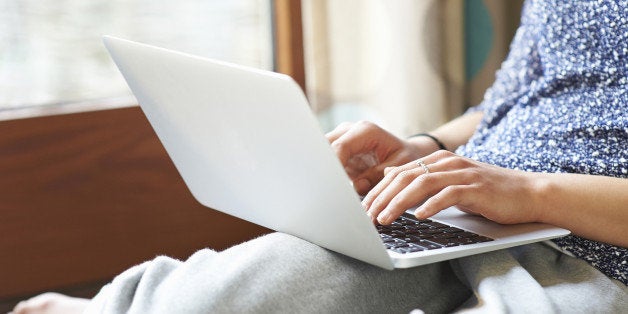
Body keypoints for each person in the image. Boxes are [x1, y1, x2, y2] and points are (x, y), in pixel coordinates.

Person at [12, 0, 628, 313]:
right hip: (464, 203)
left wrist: (533, 193)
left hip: (596, 237)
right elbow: (517, 95)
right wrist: (425, 148)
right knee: (196, 302)